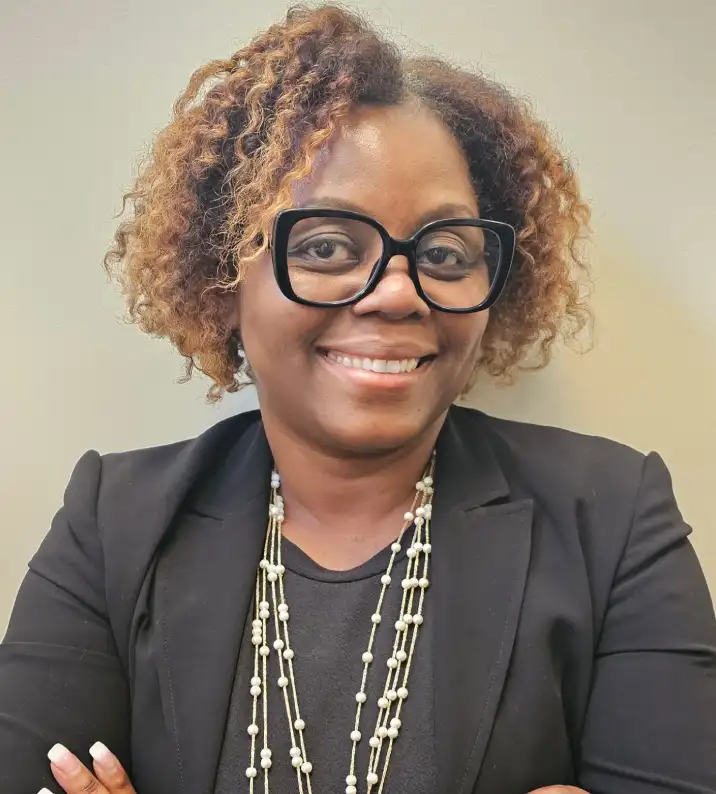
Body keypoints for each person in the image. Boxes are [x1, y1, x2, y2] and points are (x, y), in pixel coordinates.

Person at [1, 5, 715, 794]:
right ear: (223, 278)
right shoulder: (113, 522)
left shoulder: (612, 517)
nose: (399, 293)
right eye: (327, 246)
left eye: (444, 252)